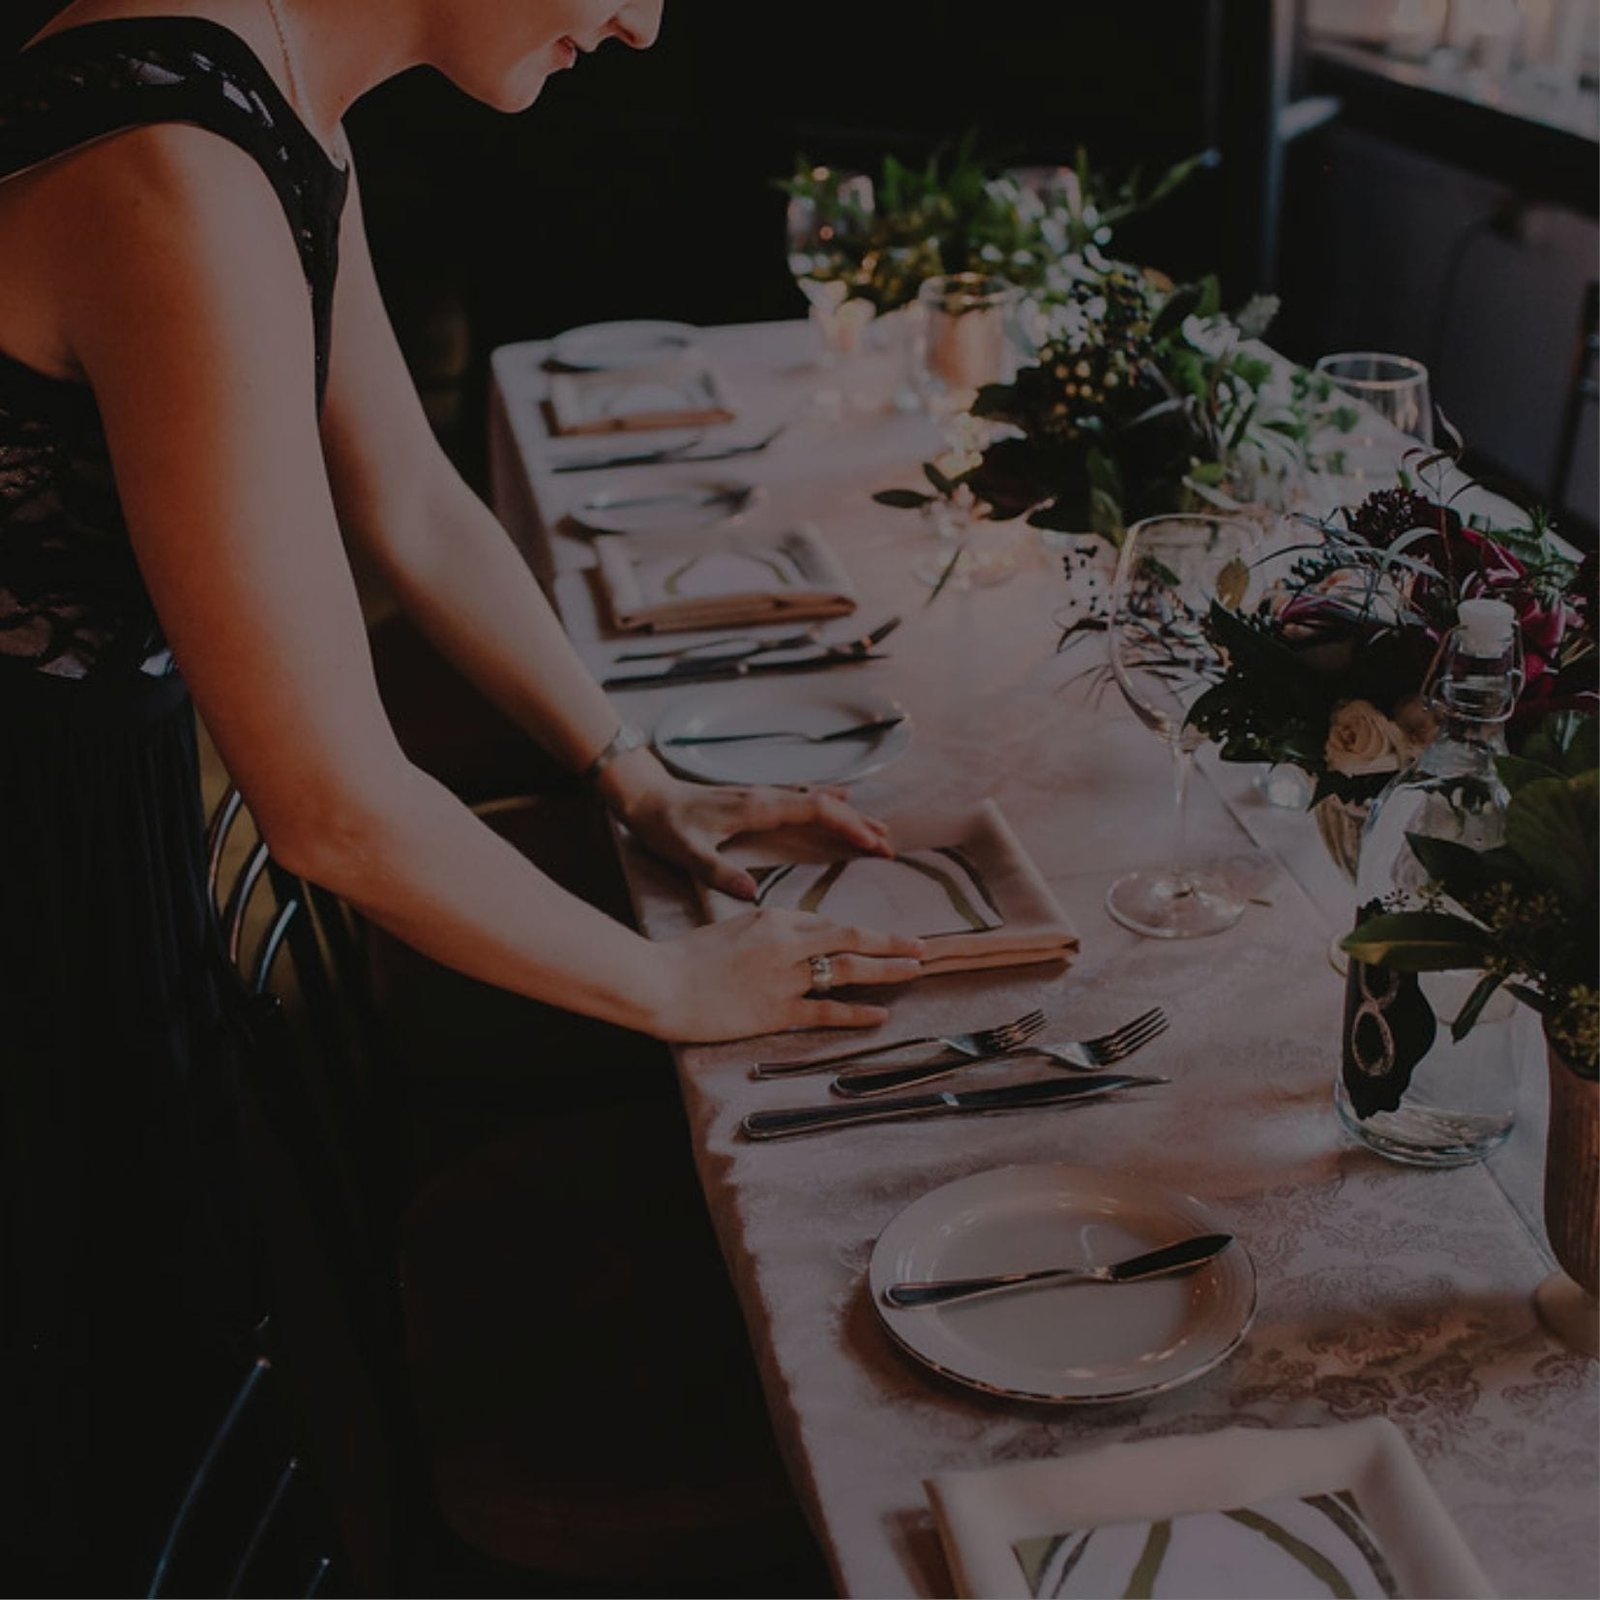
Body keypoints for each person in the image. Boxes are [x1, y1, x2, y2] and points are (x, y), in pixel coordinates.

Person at [0, 0, 924, 1587]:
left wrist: (634, 781)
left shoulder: (261, 97)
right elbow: (335, 808)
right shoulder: (174, 170)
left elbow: (412, 504)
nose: (639, 25)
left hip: (96, 815)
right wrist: (666, 984)